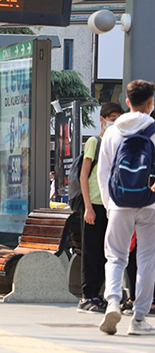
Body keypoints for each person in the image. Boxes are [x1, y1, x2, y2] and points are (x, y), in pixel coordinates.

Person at [97, 80, 155, 336]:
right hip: (149, 203)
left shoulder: (112, 132)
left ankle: (112, 301)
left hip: (119, 202)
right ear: (150, 103)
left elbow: (103, 172)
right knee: (146, 259)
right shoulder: (153, 130)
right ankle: (139, 318)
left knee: (116, 257)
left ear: (128, 102)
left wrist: (111, 207)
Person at [77, 102, 124, 314]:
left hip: (112, 205)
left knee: (109, 254)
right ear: (102, 119)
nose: (114, 121)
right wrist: (87, 206)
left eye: (118, 118)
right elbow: (83, 175)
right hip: (94, 205)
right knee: (91, 252)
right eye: (111, 117)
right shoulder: (94, 142)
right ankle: (88, 296)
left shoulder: (119, 142)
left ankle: (103, 295)